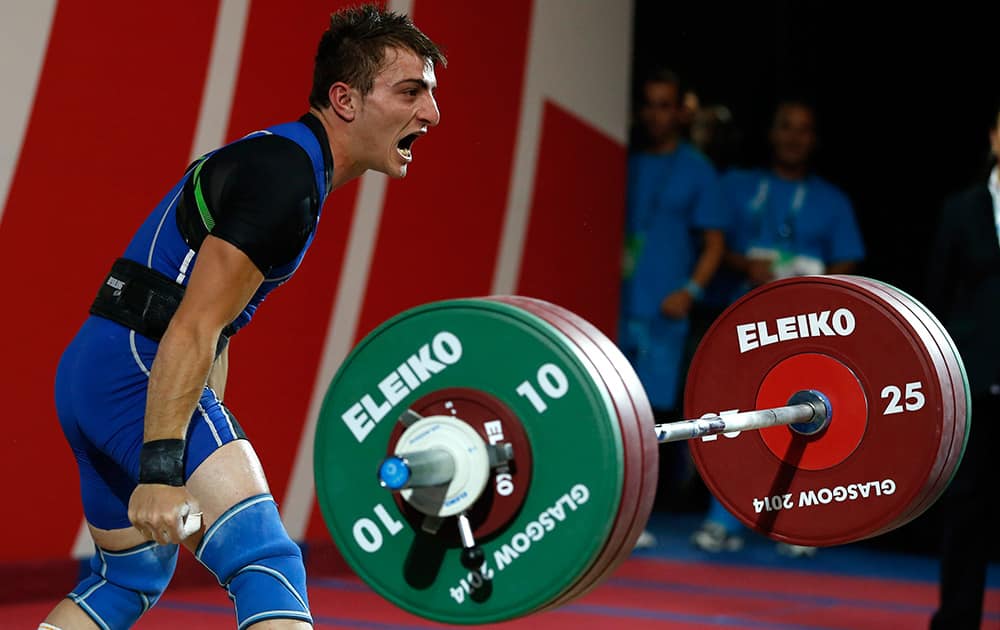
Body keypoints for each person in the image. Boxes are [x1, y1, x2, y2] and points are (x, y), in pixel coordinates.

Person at [40, 6, 444, 629]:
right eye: (409, 92)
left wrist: (208, 431)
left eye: (430, 94)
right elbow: (193, 326)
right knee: (268, 561)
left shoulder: (282, 156)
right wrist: (162, 468)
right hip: (135, 372)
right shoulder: (286, 182)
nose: (430, 114)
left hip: (96, 369)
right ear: (345, 99)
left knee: (127, 578)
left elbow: (215, 327)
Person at [690, 100, 865, 556]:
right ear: (771, 133)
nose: (793, 137)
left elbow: (848, 262)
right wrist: (743, 263)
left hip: (807, 326)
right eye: (786, 127)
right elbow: (714, 243)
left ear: (814, 140)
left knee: (807, 418)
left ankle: (799, 524)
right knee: (732, 419)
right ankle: (720, 520)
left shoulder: (832, 200)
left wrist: (815, 279)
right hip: (745, 321)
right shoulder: (737, 185)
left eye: (803, 130)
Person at [620, 69, 728, 548]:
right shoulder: (623, 161)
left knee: (651, 414)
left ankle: (638, 515)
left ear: (680, 112)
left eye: (665, 104)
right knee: (614, 408)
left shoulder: (697, 168)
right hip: (619, 303)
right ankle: (616, 513)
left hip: (665, 311)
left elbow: (715, 243)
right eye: (649, 103)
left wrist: (691, 289)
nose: (655, 114)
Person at [927, 104, 1000, 630]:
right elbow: (937, 299)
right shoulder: (960, 210)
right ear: (995, 137)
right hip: (973, 384)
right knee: (965, 510)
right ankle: (956, 620)